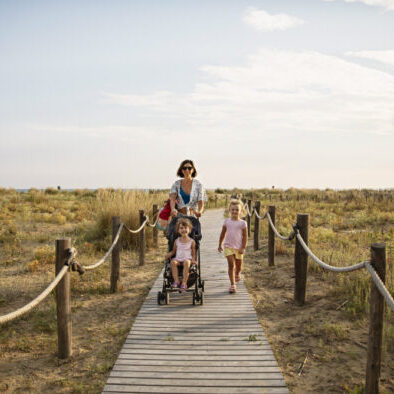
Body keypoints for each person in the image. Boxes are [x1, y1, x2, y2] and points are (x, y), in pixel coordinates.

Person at [218, 199, 248, 293]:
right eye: (233, 209)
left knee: (238, 266)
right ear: (229, 210)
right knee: (231, 265)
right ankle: (233, 285)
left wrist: (243, 247)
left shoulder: (243, 223)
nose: (234, 211)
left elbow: (245, 237)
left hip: (238, 248)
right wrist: (220, 244)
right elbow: (222, 234)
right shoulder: (226, 222)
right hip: (228, 247)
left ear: (241, 211)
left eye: (237, 210)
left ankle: (237, 273)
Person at [165, 218, 196, 292]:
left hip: (187, 259)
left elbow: (194, 253)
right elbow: (173, 251)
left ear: (189, 230)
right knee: (173, 262)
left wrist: (194, 260)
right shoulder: (177, 241)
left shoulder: (192, 241)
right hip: (178, 259)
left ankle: (184, 283)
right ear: (178, 230)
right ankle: (176, 281)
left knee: (187, 262)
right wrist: (168, 255)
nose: (183, 230)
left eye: (186, 228)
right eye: (181, 228)